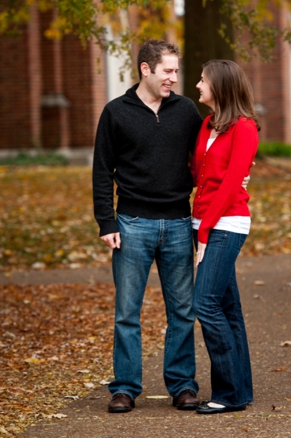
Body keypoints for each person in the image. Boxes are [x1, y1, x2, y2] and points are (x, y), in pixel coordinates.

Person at [93, 39, 202, 413]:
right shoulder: (115, 112)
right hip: (132, 224)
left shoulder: (186, 111)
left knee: (182, 312)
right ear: (146, 69)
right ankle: (124, 388)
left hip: (177, 223)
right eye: (168, 71)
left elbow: (207, 154)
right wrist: (106, 221)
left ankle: (183, 385)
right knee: (127, 312)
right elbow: (101, 170)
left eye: (176, 71)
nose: (174, 78)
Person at [190, 59, 259, 414]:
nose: (197, 84)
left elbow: (231, 184)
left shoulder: (245, 128)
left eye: (203, 80)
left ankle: (228, 393)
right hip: (203, 221)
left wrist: (204, 231)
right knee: (228, 308)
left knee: (205, 303)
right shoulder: (207, 124)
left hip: (227, 224)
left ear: (220, 86)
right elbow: (198, 174)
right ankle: (239, 391)